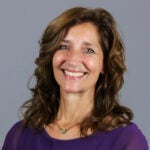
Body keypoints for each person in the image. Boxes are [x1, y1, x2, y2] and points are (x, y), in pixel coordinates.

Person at [2, 7, 148, 150]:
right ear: (51, 56)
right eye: (64, 47)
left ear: (104, 64)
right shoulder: (19, 136)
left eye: (88, 50)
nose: (72, 60)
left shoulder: (126, 140)